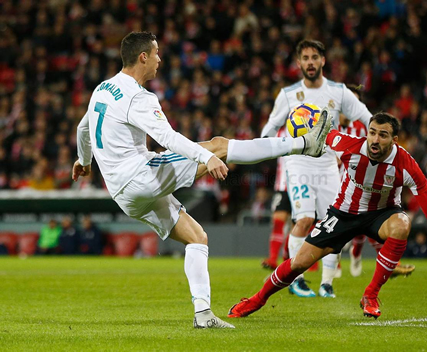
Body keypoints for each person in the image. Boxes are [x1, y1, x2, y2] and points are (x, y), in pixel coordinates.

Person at [72, 31, 331, 329]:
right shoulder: (139, 97)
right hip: (140, 176)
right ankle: (303, 144)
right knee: (219, 145)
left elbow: (83, 128)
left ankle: (203, 314)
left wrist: (84, 161)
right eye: (156, 53)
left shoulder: (102, 89)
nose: (160, 59)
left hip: (122, 194)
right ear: (143, 56)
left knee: (198, 238)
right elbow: (167, 137)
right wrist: (205, 158)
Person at [228, 112, 427, 320]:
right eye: (372, 132)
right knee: (298, 263)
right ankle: (257, 299)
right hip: (343, 214)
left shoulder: (406, 164)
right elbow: (322, 135)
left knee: (402, 224)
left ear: (395, 139)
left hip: (382, 215)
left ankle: (370, 294)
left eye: (383, 135)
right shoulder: (349, 145)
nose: (374, 139)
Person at [261, 39, 372, 298]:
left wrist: (379, 139)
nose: (310, 62)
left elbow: (365, 116)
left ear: (323, 60)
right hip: (298, 163)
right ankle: (296, 280)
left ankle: (326, 284)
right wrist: (261, 147)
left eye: (315, 57)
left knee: (332, 223)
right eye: (305, 58)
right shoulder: (288, 95)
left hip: (328, 164)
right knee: (304, 220)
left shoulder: (339, 91)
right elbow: (270, 125)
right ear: (299, 63)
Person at [341, 85, 415, 278]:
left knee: (368, 214)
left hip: (364, 175)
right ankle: (340, 262)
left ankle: (375, 259)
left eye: (356, 101)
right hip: (336, 175)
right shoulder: (334, 120)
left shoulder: (365, 125)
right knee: (354, 218)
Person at [261, 126, 292, 270]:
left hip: (303, 183)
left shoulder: (307, 126)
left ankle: (292, 260)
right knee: (278, 220)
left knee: (300, 225)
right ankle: (273, 259)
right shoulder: (279, 130)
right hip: (283, 185)